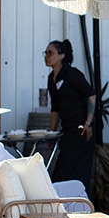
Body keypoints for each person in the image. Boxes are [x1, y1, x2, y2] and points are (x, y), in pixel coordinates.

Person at [44, 39, 97, 191]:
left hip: (81, 130)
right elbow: (55, 107)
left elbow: (91, 94)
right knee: (62, 173)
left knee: (75, 173)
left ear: (62, 55)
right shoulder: (51, 79)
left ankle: (79, 207)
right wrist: (52, 133)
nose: (47, 56)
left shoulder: (72, 74)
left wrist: (88, 122)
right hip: (67, 131)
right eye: (46, 53)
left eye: (50, 53)